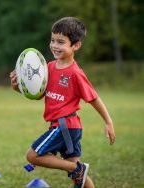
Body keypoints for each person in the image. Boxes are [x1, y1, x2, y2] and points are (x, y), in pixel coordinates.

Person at [10, 17, 115, 188]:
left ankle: (76, 167)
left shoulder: (75, 73)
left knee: (32, 156)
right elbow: (40, 95)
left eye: (61, 42)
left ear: (76, 45)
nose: (54, 46)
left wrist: (108, 122)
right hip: (65, 127)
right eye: (53, 40)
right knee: (78, 177)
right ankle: (77, 170)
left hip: (64, 126)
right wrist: (18, 87)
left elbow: (93, 98)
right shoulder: (48, 67)